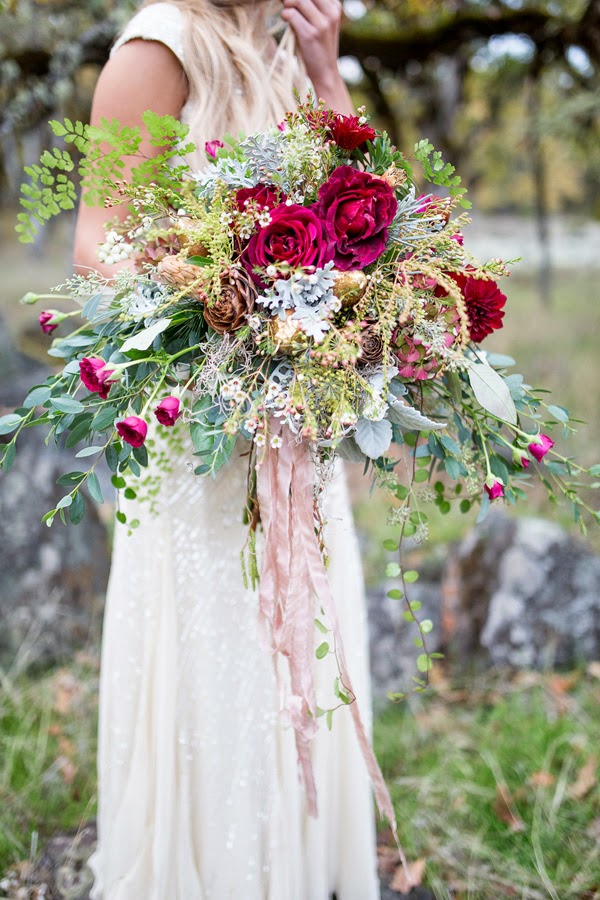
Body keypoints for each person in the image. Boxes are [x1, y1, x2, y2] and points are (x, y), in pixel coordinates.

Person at [74, 1, 381, 897]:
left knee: (299, 655)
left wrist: (328, 72)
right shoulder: (156, 47)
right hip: (207, 432)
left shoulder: (291, 48)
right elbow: (97, 240)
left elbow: (372, 220)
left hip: (295, 426)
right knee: (223, 670)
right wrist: (221, 302)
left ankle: (295, 867)